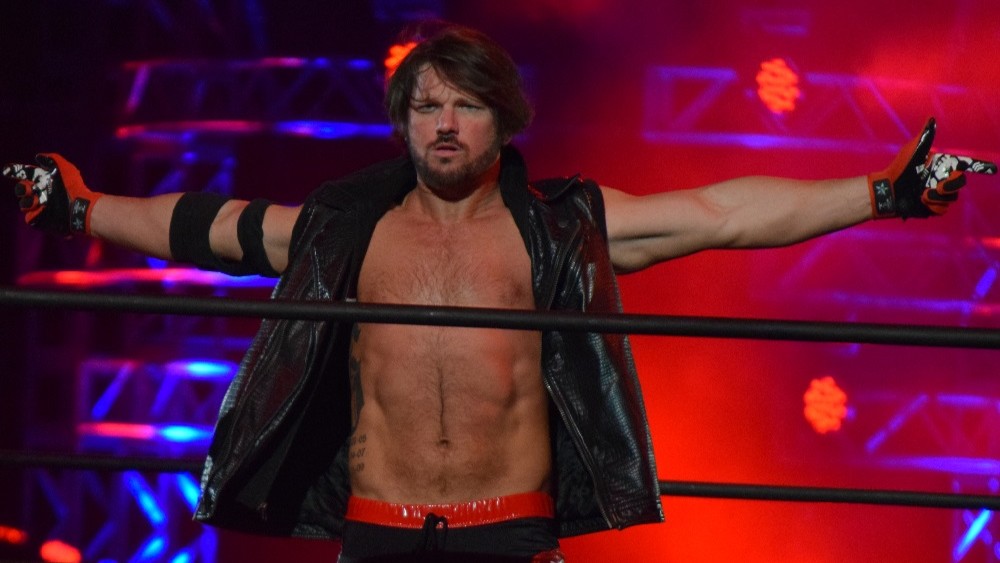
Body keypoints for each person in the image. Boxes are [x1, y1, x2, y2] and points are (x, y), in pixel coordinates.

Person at [3, 21, 996, 563]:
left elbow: (719, 210)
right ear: (401, 122)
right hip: (379, 535)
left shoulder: (559, 225)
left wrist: (883, 192)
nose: (442, 123)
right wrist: (82, 209)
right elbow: (207, 229)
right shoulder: (342, 230)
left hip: (511, 537)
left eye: (465, 104)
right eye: (425, 105)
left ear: (502, 119)